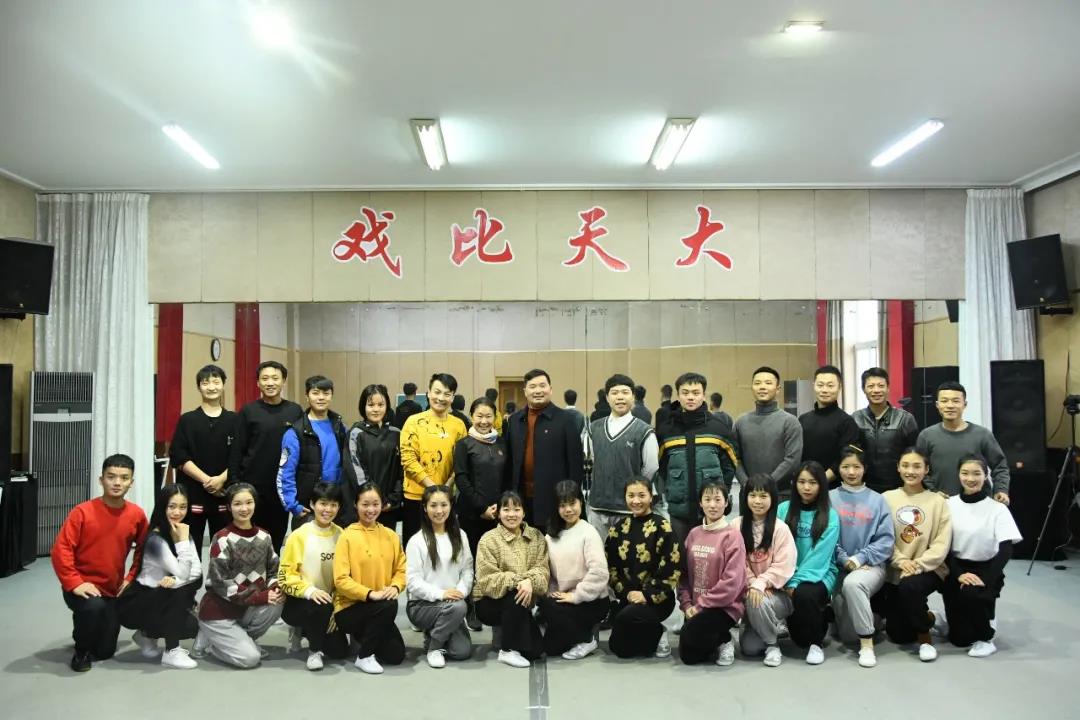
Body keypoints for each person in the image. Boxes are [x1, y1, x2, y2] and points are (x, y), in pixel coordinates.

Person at [51, 454, 149, 672]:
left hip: (112, 589)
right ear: (101, 480)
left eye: (124, 478)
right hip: (81, 587)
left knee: (105, 651)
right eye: (111, 477)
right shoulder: (82, 512)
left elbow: (145, 549)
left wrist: (131, 577)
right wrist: (75, 583)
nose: (117, 483)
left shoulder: (136, 514)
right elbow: (61, 550)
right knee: (92, 608)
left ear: (131, 482)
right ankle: (81, 650)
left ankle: (89, 628)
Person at [194, 483, 284, 669]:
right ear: (229, 507)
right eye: (237, 504)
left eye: (249, 502)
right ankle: (212, 642)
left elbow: (274, 571)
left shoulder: (265, 537)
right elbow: (221, 584)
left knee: (278, 601)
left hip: (245, 607)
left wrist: (274, 589)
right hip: (219, 611)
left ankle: (238, 641)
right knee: (250, 659)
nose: (244, 508)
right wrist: (261, 596)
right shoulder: (222, 538)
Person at [942, 454, 1022, 658]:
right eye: (965, 473)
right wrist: (958, 574)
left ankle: (987, 636)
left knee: (972, 594)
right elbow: (943, 545)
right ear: (958, 475)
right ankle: (956, 620)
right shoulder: (948, 505)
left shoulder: (997, 509)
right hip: (956, 566)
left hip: (986, 568)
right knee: (959, 639)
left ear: (986, 476)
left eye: (976, 473)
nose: (970, 478)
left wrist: (986, 578)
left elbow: (1006, 549)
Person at [118, 485, 201, 670]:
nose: (177, 512)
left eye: (183, 507)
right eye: (172, 506)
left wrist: (176, 581)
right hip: (138, 603)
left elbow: (197, 573)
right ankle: (171, 651)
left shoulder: (182, 531)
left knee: (191, 620)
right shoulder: (155, 540)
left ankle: (146, 635)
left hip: (159, 597)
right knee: (178, 593)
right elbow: (184, 572)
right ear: (162, 506)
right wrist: (182, 542)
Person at [881, 448, 952, 662]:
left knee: (910, 586)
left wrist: (918, 565)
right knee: (899, 636)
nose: (910, 471)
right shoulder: (886, 498)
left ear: (926, 469)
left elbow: (941, 542)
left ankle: (925, 639)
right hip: (896, 568)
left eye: (917, 466)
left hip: (929, 568)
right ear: (898, 468)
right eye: (905, 465)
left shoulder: (938, 501)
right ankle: (930, 617)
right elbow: (883, 537)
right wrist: (901, 560)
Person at [828, 447, 895, 668]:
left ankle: (867, 645)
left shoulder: (878, 500)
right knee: (848, 636)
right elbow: (826, 537)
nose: (851, 472)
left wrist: (859, 559)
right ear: (838, 469)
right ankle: (876, 618)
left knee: (854, 584)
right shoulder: (829, 498)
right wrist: (845, 560)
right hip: (839, 568)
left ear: (864, 469)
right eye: (845, 467)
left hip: (870, 567)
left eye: (856, 467)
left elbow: (886, 541)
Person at [656, 372, 738, 547]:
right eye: (685, 393)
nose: (690, 397)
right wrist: (671, 490)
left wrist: (720, 494)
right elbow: (662, 467)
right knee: (680, 556)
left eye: (696, 393)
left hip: (710, 511)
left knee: (710, 556)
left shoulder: (718, 428)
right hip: (679, 511)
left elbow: (730, 466)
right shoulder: (667, 430)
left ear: (704, 395)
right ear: (678, 395)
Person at [333, 482, 407, 674]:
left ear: (382, 505)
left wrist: (396, 587)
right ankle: (364, 656)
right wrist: (369, 594)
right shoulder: (347, 536)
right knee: (389, 605)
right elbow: (341, 580)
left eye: (375, 504)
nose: (370, 510)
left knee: (396, 655)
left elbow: (401, 570)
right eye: (365, 504)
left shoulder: (390, 536)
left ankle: (363, 637)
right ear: (356, 505)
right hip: (349, 608)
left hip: (379, 608)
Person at [229, 360, 304, 550]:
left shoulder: (295, 411)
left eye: (275, 378)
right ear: (258, 383)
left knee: (276, 541)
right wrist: (235, 483)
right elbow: (237, 450)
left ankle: (272, 570)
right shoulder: (248, 411)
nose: (270, 383)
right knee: (250, 540)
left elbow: (301, 449)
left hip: (281, 488)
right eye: (265, 379)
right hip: (252, 488)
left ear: (283, 380)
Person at [606, 477, 681, 659]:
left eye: (641, 495)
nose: (636, 501)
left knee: (626, 619)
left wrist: (646, 595)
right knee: (619, 648)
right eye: (631, 495)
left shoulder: (663, 527)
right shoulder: (618, 529)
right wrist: (627, 593)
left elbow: (671, 568)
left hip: (657, 599)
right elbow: (611, 567)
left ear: (651, 497)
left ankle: (658, 631)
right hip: (629, 598)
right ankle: (652, 633)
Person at [473, 490, 550, 668]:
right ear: (498, 513)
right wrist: (519, 582)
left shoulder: (536, 537)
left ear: (524, 512)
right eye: (506, 509)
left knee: (536, 651)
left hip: (522, 602)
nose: (512, 514)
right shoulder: (488, 539)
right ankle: (507, 650)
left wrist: (530, 582)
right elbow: (486, 580)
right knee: (515, 592)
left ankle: (509, 640)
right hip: (489, 602)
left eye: (517, 509)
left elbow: (543, 572)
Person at [168, 364, 237, 558]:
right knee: (189, 552)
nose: (211, 387)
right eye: (206, 383)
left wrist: (221, 479)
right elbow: (178, 455)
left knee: (224, 552)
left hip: (224, 494)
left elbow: (240, 456)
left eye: (216, 382)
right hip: (193, 494)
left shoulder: (234, 420)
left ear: (223, 384)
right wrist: (207, 480)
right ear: (199, 387)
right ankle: (190, 579)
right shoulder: (187, 420)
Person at [278, 482, 348, 671]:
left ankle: (308, 631)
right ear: (312, 504)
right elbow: (285, 578)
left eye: (333, 505)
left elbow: (345, 576)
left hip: (329, 603)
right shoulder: (299, 536)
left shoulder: (341, 535)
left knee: (339, 651)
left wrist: (338, 606)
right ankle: (314, 651)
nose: (328, 510)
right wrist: (309, 591)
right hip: (300, 601)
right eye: (323, 503)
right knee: (319, 606)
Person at [776, 461, 840, 665]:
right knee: (798, 639)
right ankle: (822, 614)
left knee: (805, 594)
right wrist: (786, 577)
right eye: (802, 482)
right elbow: (777, 547)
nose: (806, 487)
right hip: (787, 573)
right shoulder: (783, 510)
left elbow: (819, 556)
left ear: (821, 485)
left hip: (820, 573)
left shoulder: (830, 515)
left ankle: (816, 644)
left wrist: (794, 582)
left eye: (812, 482)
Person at [503, 369, 585, 526]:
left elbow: (575, 465)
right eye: (532, 387)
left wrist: (571, 500)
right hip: (521, 501)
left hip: (556, 501)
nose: (538, 391)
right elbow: (509, 463)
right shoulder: (514, 421)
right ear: (525, 391)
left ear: (550, 389)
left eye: (542, 386)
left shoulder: (566, 420)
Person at [677, 482, 746, 666]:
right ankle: (717, 637)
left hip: (724, 607)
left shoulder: (732, 536)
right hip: (695, 607)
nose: (712, 505)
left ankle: (725, 639)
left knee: (690, 639)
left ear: (726, 502)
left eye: (717, 499)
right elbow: (683, 575)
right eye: (707, 500)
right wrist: (687, 604)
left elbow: (731, 583)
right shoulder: (693, 534)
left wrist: (700, 606)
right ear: (700, 503)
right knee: (689, 656)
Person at [405, 485, 474, 668]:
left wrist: (460, 592)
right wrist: (442, 594)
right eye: (433, 505)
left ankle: (434, 632)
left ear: (451, 506)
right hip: (422, 605)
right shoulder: (416, 541)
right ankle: (434, 647)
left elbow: (468, 570)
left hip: (453, 602)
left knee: (462, 652)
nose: (439, 511)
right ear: (425, 508)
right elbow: (412, 582)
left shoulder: (460, 536)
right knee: (459, 608)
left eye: (444, 505)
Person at [454, 397, 508, 629]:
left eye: (488, 416)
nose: (484, 421)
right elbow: (462, 479)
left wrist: (499, 508)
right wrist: (481, 508)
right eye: (479, 416)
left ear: (495, 417)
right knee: (471, 561)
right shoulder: (464, 444)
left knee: (496, 562)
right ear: (471, 416)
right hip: (472, 515)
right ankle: (471, 608)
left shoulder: (501, 443)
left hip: (498, 515)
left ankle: (494, 605)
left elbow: (507, 477)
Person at [277, 375, 358, 530]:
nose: (321, 397)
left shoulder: (340, 427)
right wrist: (292, 505)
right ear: (307, 396)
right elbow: (285, 472)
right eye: (315, 393)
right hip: (308, 508)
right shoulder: (295, 432)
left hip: (337, 505)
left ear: (331, 396)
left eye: (326, 393)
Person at [540, 481, 609, 660]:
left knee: (551, 609)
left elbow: (600, 573)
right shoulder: (550, 535)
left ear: (581, 503)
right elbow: (549, 573)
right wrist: (552, 593)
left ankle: (587, 640)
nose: (569, 510)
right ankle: (576, 633)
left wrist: (576, 596)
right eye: (563, 505)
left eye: (573, 503)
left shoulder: (589, 532)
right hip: (564, 600)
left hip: (591, 600)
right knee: (550, 648)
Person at [733, 474, 796, 667]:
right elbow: (736, 562)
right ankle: (762, 623)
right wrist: (754, 584)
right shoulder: (735, 525)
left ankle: (772, 645)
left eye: (763, 496)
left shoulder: (781, 529)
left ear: (773, 498)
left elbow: (784, 565)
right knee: (750, 648)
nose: (757, 501)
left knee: (756, 601)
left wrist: (762, 583)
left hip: (777, 593)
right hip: (750, 592)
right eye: (752, 495)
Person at [585, 374, 659, 540]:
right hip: (597, 507)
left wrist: (636, 493)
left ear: (633, 397)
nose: (620, 397)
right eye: (614, 393)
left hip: (630, 509)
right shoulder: (594, 428)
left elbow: (651, 468)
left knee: (628, 554)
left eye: (625, 392)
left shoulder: (644, 431)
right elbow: (594, 460)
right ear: (607, 397)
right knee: (600, 553)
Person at [399, 373, 469, 544]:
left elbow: (461, 461)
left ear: (453, 397)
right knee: (416, 547)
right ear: (428, 393)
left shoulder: (459, 425)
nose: (441, 398)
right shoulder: (413, 422)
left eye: (447, 394)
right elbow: (408, 459)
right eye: (437, 392)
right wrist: (433, 488)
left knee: (444, 546)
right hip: (416, 497)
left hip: (445, 499)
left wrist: (445, 488)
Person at [916, 381, 1011, 503]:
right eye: (944, 401)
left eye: (956, 401)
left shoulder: (982, 434)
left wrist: (1001, 490)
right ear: (937, 405)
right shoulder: (926, 436)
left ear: (965, 404)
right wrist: (933, 491)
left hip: (978, 503)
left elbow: (1000, 466)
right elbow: (919, 470)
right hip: (941, 503)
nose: (950, 405)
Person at [733, 367, 803, 497]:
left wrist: (767, 484)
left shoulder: (790, 422)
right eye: (757, 383)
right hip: (749, 494)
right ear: (752, 388)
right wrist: (747, 483)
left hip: (781, 495)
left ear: (778, 389)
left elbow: (792, 460)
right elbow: (734, 458)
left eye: (768, 383)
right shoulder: (740, 422)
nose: (762, 387)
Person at [853, 368, 919, 493]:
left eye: (881, 386)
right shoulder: (856, 418)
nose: (876, 390)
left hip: (898, 488)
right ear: (863, 389)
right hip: (864, 488)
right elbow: (852, 454)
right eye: (871, 386)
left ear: (888, 388)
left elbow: (915, 455)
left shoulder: (905, 419)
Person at [348, 384, 403, 532]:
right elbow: (356, 469)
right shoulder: (356, 433)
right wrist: (373, 501)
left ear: (387, 406)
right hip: (366, 506)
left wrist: (393, 499)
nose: (376, 409)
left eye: (381, 405)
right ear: (363, 406)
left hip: (389, 506)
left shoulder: (396, 433)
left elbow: (401, 470)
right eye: (371, 405)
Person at [798, 365, 860, 489]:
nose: (824, 390)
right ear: (814, 386)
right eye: (820, 385)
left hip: (834, 488)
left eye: (830, 386)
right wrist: (806, 482)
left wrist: (820, 481)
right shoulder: (803, 419)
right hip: (804, 486)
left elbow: (846, 458)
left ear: (839, 387)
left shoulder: (847, 422)